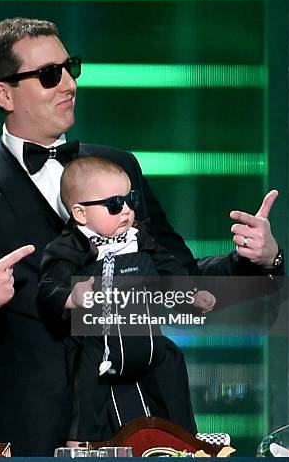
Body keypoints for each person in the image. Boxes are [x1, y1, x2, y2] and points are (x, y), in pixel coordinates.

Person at [0, 17, 282, 456]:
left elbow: (178, 276)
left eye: (70, 67)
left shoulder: (119, 166)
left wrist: (255, 261)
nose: (69, 83)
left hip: (144, 414)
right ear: (3, 93)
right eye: (51, 74)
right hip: (35, 423)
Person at [38, 156, 215, 443]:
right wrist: (71, 297)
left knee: (171, 362)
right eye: (113, 204)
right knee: (87, 384)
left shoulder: (138, 237)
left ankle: (184, 437)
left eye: (130, 200)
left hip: (145, 335)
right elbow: (48, 286)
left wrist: (190, 293)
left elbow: (167, 266)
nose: (126, 211)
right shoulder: (68, 247)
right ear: (81, 214)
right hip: (100, 342)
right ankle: (82, 441)